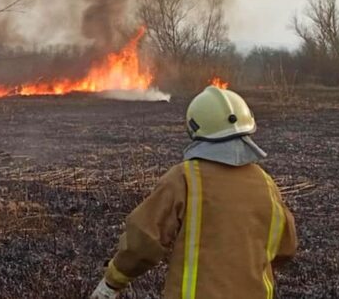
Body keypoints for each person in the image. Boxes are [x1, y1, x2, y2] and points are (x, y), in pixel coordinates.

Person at [90, 86, 297, 299]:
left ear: (195, 127)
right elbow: (285, 247)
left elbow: (143, 241)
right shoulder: (266, 183)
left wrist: (112, 282)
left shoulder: (185, 179)